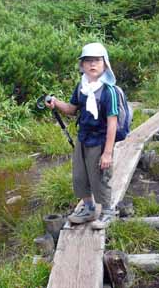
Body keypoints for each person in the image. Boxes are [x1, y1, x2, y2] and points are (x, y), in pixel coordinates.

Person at [45, 42, 117, 230]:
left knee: (100, 176)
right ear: (82, 65)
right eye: (88, 61)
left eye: (97, 61)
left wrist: (107, 153)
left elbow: (112, 123)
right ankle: (88, 208)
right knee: (80, 175)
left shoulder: (109, 90)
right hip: (83, 138)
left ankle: (108, 211)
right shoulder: (82, 86)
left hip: (100, 141)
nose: (92, 65)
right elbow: (71, 109)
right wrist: (56, 103)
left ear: (105, 64)